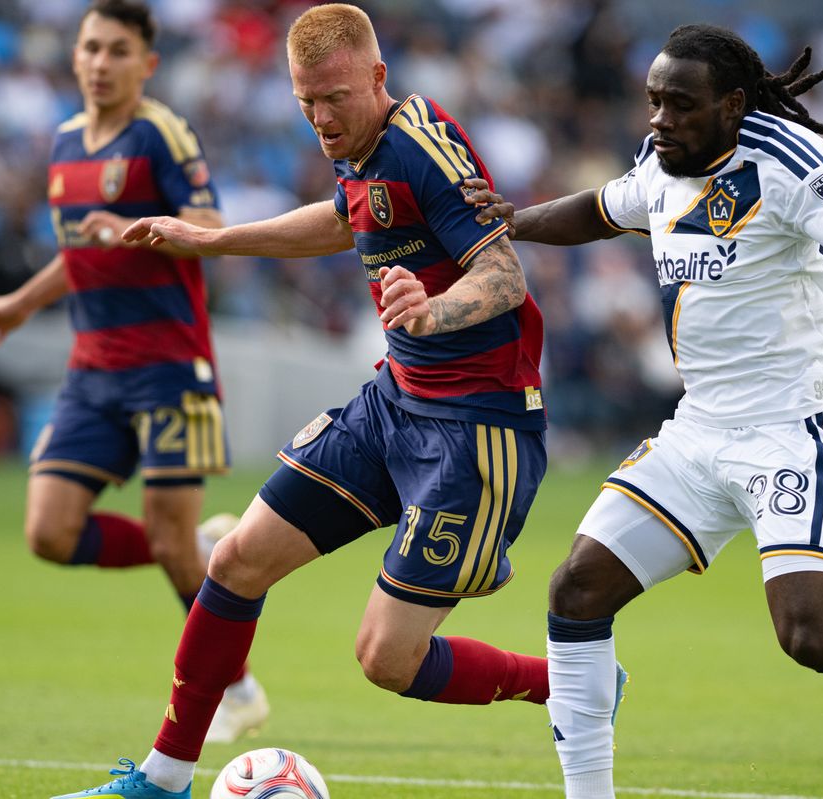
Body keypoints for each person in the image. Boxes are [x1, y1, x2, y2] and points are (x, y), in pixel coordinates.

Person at [464, 23, 823, 799]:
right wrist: (517, 219)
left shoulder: (788, 162)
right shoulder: (660, 162)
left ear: (733, 105)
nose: (659, 119)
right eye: (653, 102)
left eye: (680, 104)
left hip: (788, 429)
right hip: (698, 427)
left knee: (809, 635)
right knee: (576, 588)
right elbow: (604, 210)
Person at [53, 5, 555, 798]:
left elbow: (504, 277)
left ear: (378, 79)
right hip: (395, 404)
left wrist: (433, 308)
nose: (321, 118)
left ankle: (568, 679)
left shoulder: (424, 142)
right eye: (305, 103)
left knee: (386, 660)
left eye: (336, 98)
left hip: (475, 429)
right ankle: (162, 778)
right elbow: (341, 221)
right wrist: (213, 239)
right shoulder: (359, 149)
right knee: (236, 559)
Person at [0, 0, 267, 745]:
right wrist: (19, 302)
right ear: (74, 55)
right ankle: (201, 550)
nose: (101, 63)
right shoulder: (65, 144)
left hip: (167, 365)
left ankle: (238, 687)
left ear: (147, 63)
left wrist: (136, 236)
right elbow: (79, 252)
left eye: (118, 51)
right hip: (93, 370)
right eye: (91, 48)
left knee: (168, 546)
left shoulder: (161, 133)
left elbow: (212, 230)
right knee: (49, 533)